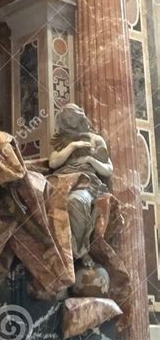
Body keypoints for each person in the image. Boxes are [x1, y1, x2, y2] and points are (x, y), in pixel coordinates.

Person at [49, 103, 113, 262]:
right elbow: (53, 163)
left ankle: (75, 253)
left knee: (75, 201)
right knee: (42, 200)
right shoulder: (64, 141)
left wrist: (91, 160)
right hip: (62, 180)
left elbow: (108, 169)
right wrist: (72, 146)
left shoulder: (96, 140)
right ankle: (52, 249)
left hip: (86, 183)